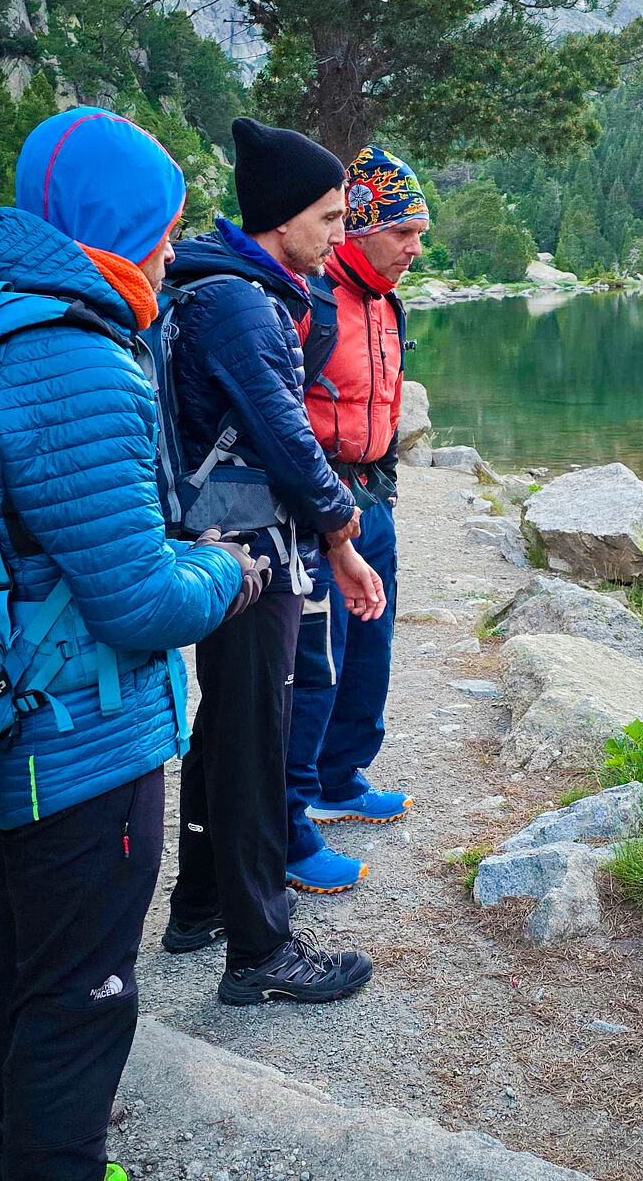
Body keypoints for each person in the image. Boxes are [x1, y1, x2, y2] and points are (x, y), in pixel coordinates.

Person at [0, 108, 263, 1181]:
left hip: (18, 723)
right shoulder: (74, 357)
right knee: (85, 987)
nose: (172, 249)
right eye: (161, 227)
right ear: (113, 224)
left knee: (24, 949)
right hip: (80, 739)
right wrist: (225, 569)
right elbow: (136, 605)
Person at [161, 117, 385, 1003]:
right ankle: (261, 952)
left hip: (227, 540)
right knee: (255, 739)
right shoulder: (244, 304)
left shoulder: (216, 289)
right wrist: (341, 531)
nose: (340, 235)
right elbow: (286, 439)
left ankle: (200, 903)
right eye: (330, 218)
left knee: (224, 730)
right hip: (250, 553)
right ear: (283, 217)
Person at [283, 145, 429, 892]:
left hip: (373, 499)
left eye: (419, 232)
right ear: (361, 228)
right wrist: (324, 512)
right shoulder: (310, 298)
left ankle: (341, 777)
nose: (415, 247)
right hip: (317, 509)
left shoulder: (386, 302)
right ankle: (293, 810)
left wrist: (390, 487)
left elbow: (388, 401)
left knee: (371, 646)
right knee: (317, 661)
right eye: (403, 231)